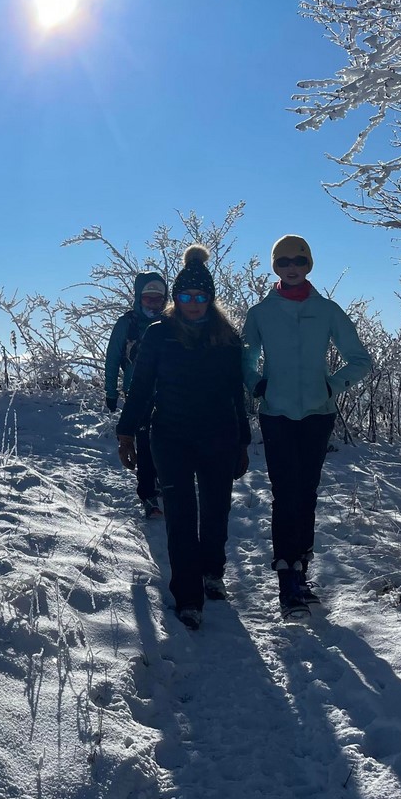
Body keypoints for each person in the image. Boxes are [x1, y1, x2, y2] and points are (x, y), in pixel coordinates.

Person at [115, 245, 251, 631]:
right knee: (180, 514)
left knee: (215, 509)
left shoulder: (226, 337)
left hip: (218, 435)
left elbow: (236, 393)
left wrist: (242, 441)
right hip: (170, 436)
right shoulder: (159, 334)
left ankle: (212, 572)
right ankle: (188, 597)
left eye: (200, 297)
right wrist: (126, 432)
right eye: (186, 297)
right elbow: (142, 387)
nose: (193, 304)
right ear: (176, 299)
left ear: (210, 298)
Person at [242, 234, 373, 618]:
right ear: (275, 267)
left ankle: (301, 569)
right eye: (283, 262)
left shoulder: (327, 310)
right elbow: (245, 358)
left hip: (318, 412)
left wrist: (332, 384)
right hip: (276, 412)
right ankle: (287, 579)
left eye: (298, 261)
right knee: (285, 492)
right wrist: (256, 384)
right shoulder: (260, 313)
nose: (291, 268)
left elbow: (359, 359)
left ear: (309, 265)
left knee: (307, 492)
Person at [105, 272, 169, 517]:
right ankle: (148, 493)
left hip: (166, 394)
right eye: (148, 298)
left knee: (162, 440)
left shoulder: (169, 322)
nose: (153, 303)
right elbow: (112, 358)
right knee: (142, 440)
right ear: (138, 297)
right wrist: (111, 391)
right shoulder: (127, 324)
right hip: (137, 393)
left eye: (158, 298)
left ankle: (161, 479)